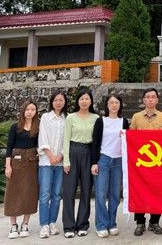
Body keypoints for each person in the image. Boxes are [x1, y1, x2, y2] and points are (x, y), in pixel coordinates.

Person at [130, 88, 162, 236]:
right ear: (143, 100)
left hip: (158, 162)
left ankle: (155, 222)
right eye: (148, 97)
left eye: (153, 97)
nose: (151, 99)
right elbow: (131, 136)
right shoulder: (136, 117)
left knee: (157, 192)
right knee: (139, 192)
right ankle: (140, 222)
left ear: (157, 100)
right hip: (140, 164)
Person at [90, 94, 129, 238]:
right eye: (111, 102)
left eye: (116, 102)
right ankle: (101, 224)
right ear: (107, 105)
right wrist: (94, 162)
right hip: (103, 159)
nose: (114, 105)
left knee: (115, 195)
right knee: (101, 194)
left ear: (120, 105)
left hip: (118, 161)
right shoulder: (101, 121)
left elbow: (128, 142)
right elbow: (95, 142)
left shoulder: (124, 122)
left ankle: (112, 223)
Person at [62, 88, 98, 238]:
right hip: (73, 151)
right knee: (69, 192)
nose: (84, 101)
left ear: (91, 101)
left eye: (87, 99)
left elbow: (97, 141)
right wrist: (66, 160)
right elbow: (65, 139)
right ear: (77, 101)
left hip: (89, 153)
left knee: (86, 190)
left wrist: (95, 161)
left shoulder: (96, 118)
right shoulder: (70, 117)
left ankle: (82, 224)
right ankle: (69, 226)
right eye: (81, 99)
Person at [4, 99, 40, 239]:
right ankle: (13, 225)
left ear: (36, 111)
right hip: (16, 161)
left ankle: (25, 224)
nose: (30, 112)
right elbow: (9, 147)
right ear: (23, 111)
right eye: (27, 109)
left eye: (32, 109)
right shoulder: (15, 127)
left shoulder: (38, 127)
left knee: (29, 192)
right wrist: (8, 165)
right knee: (13, 192)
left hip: (32, 162)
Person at [37, 90, 67, 238]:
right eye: (56, 100)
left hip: (60, 163)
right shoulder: (45, 117)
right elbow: (42, 137)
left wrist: (60, 156)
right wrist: (50, 156)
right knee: (45, 194)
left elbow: (67, 140)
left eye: (61, 100)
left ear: (65, 102)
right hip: (46, 162)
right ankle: (44, 225)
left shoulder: (67, 119)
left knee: (56, 194)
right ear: (52, 102)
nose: (58, 102)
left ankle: (52, 222)